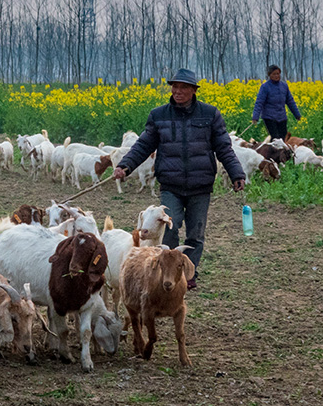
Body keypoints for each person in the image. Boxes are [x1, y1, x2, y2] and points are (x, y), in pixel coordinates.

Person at [114, 69, 246, 290]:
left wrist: (236, 174)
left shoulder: (210, 114)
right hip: (171, 185)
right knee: (170, 228)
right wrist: (125, 166)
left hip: (200, 185)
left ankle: (188, 274)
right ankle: (168, 271)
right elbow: (143, 145)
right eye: (175, 86)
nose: (178, 91)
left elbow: (224, 148)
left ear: (194, 90)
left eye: (183, 87)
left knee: (196, 233)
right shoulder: (159, 115)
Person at [251, 64, 301, 141]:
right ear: (269, 75)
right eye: (274, 74)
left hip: (282, 117)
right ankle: (272, 149)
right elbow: (259, 102)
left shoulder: (284, 86)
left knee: (283, 138)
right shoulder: (265, 87)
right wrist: (255, 117)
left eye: (278, 74)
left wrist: (297, 114)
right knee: (275, 138)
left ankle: (276, 149)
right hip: (269, 117)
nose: (276, 76)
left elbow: (290, 101)